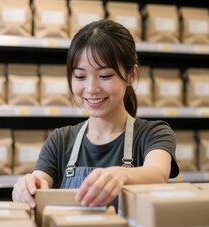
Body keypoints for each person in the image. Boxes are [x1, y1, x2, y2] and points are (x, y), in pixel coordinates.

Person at [12, 19, 179, 209]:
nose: (91, 89)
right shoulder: (60, 141)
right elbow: (40, 181)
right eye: (80, 76)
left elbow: (158, 173)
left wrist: (121, 174)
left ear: (131, 75)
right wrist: (28, 187)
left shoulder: (153, 134)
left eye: (105, 76)